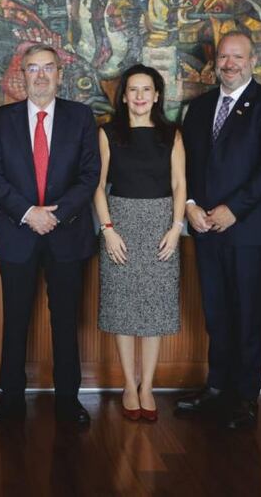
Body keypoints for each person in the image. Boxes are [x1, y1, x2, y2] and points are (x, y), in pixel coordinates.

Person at [175, 31, 261, 429]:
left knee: (247, 316)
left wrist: (234, 210)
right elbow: (186, 166)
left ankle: (245, 398)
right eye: (223, 57)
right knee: (216, 313)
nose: (229, 64)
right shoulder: (200, 107)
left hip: (249, 233)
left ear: (252, 61)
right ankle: (217, 388)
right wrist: (190, 205)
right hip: (205, 229)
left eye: (237, 57)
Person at [0, 44, 100, 425]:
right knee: (14, 321)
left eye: (48, 68)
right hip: (18, 234)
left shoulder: (81, 117)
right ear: (23, 74)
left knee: (66, 322)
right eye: (33, 68)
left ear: (60, 74)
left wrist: (58, 214)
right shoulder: (1, 119)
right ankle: (11, 400)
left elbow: (89, 175)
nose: (41, 75)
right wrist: (29, 213)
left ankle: (69, 401)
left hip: (67, 235)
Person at [93, 64, 186, 423]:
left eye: (147, 90)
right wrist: (108, 229)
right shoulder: (109, 133)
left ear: (157, 95)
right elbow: (98, 186)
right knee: (123, 309)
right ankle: (128, 385)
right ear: (125, 96)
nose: (140, 96)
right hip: (120, 226)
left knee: (154, 311)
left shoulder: (171, 134)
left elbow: (179, 185)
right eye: (133, 90)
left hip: (162, 226)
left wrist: (176, 228)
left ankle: (147, 386)